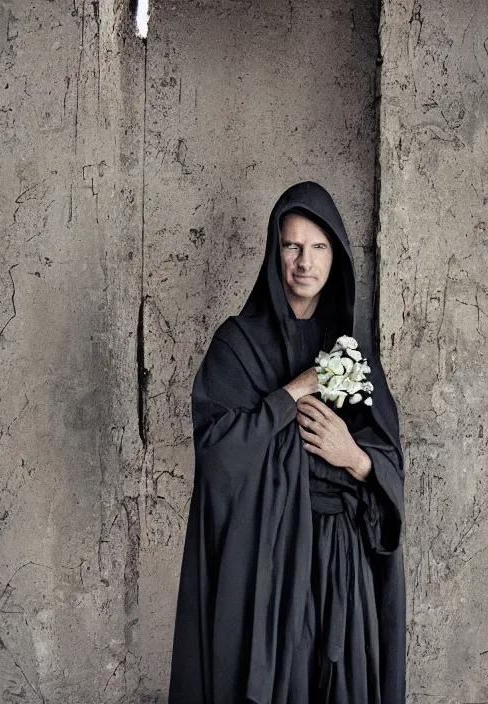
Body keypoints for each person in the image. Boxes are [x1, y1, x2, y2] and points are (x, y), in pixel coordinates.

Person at [168, 181, 405, 704]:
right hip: (268, 564)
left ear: (335, 256)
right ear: (275, 254)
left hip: (342, 565)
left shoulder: (352, 353)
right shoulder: (237, 345)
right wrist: (288, 396)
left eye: (318, 247)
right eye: (292, 246)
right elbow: (217, 454)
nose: (304, 261)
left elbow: (388, 463)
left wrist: (354, 457)